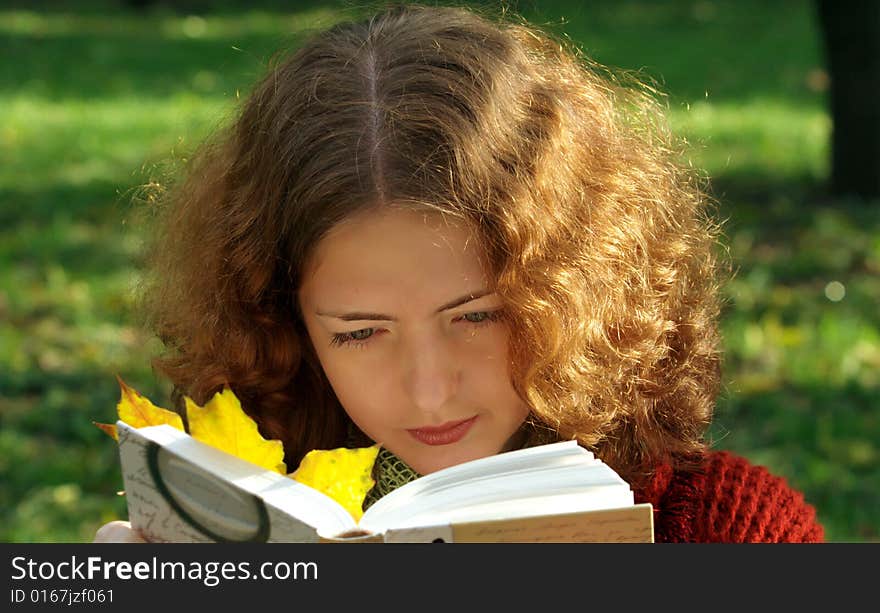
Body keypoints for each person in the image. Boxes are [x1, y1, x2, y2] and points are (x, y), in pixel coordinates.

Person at [94, 2, 823, 543]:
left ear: (576, 292)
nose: (430, 388)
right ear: (280, 319)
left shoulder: (733, 528)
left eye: (476, 315)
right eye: (358, 333)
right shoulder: (238, 522)